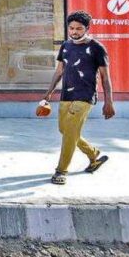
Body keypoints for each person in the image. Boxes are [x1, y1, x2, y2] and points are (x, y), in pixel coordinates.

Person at [42, 10, 114, 185]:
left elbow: (105, 77)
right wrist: (48, 94)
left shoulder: (97, 48)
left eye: (79, 29)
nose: (74, 32)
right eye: (71, 28)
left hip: (85, 96)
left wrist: (109, 102)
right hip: (67, 94)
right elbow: (59, 71)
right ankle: (93, 154)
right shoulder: (66, 46)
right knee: (65, 131)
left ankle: (61, 171)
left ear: (87, 28)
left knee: (69, 135)